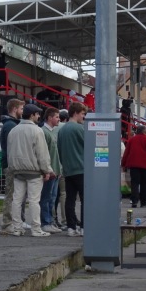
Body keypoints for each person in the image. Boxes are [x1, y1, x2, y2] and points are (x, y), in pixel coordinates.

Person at [7, 104, 54, 237]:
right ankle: (36, 228)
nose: (39, 116)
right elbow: (42, 153)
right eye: (37, 114)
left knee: (17, 200)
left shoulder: (14, 130)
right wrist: (47, 170)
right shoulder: (37, 131)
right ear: (32, 115)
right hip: (33, 171)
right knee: (34, 201)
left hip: (17, 170)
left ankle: (17, 228)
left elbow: (9, 150)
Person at [57, 102, 87, 237]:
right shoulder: (80, 129)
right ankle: (83, 227)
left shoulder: (61, 130)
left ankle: (70, 227)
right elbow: (89, 145)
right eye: (82, 114)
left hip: (67, 170)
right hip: (81, 168)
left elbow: (59, 149)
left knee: (70, 199)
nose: (84, 117)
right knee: (85, 200)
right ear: (76, 113)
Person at [0, 98, 25, 235]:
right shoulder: (10, 126)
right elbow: (13, 147)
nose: (23, 111)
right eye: (21, 109)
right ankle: (7, 224)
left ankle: (15, 221)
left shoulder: (11, 124)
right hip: (11, 164)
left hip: (12, 163)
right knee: (11, 195)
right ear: (15, 109)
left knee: (15, 194)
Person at [121, 124, 146, 208]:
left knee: (134, 183)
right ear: (145, 132)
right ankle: (144, 202)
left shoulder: (131, 140)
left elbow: (126, 153)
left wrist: (124, 163)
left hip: (134, 165)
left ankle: (134, 201)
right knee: (144, 184)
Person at [40, 107, 62, 234]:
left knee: (52, 198)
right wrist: (48, 170)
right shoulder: (43, 132)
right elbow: (44, 153)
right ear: (49, 118)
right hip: (49, 171)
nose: (58, 119)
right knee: (46, 197)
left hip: (56, 170)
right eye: (56, 117)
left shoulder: (54, 132)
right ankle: (45, 222)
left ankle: (50, 221)